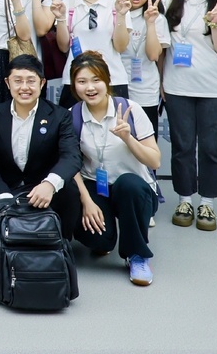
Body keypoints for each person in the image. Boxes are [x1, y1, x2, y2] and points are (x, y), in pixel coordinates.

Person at [69, 52, 161, 286]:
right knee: (98, 239)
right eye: (82, 81)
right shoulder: (73, 116)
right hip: (95, 186)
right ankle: (105, 238)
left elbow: (154, 162)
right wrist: (86, 201)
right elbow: (70, 164)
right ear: (74, 85)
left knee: (129, 185)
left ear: (107, 80)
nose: (90, 87)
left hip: (133, 188)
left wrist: (128, 138)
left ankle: (137, 255)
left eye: (96, 80)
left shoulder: (131, 109)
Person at [162, 0, 217, 232]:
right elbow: (161, 49)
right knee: (182, 147)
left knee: (212, 148)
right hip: (177, 86)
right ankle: (184, 200)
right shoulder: (168, 1)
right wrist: (161, 82)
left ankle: (207, 202)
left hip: (214, 88)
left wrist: (215, 25)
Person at [0, 55, 81, 240]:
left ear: (42, 83)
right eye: (18, 81)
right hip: (7, 187)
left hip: (41, 188)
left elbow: (71, 156)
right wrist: (1, 193)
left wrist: (50, 184)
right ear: (7, 83)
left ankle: (62, 244)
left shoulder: (60, 116)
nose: (24, 87)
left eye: (31, 81)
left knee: (70, 190)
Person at [50, 0, 133, 108]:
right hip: (76, 80)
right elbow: (63, 46)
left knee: (115, 123)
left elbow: (120, 47)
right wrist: (60, 18)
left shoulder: (118, 5)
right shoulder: (67, 5)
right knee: (73, 123)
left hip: (112, 80)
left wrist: (121, 15)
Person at [113, 0, 168, 140]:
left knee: (145, 142)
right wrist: (120, 14)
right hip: (115, 87)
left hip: (145, 90)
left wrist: (150, 23)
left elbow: (153, 56)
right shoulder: (112, 14)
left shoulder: (157, 18)